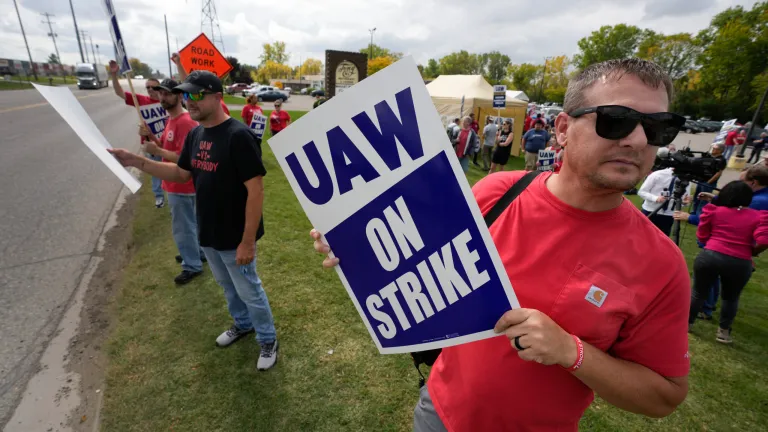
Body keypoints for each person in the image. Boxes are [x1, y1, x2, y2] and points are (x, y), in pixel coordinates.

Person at [311, 58, 691, 430]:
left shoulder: (661, 263)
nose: (638, 140)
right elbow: (418, 252)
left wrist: (570, 352)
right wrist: (356, 244)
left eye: (658, 128)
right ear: (562, 129)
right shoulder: (498, 192)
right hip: (438, 410)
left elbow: (664, 395)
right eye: (617, 120)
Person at [107, 71, 279, 370]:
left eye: (197, 95)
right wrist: (138, 162)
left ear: (217, 96)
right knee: (228, 287)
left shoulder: (238, 137)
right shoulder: (196, 135)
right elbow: (182, 174)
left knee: (249, 289)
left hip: (235, 235)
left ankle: (267, 338)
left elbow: (256, 191)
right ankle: (243, 325)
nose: (190, 101)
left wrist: (247, 241)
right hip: (208, 230)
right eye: (187, 95)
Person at [138, 79, 205, 284]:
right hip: (177, 183)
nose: (162, 97)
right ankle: (196, 253)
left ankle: (192, 264)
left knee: (183, 228)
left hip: (182, 185)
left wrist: (157, 151)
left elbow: (189, 159)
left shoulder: (185, 122)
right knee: (191, 224)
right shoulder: (172, 119)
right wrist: (151, 138)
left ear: (178, 95)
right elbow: (169, 149)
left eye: (167, 93)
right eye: (160, 93)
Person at [688, 181, 768, 343]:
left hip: (710, 255)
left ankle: (687, 324)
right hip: (740, 261)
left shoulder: (715, 211)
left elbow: (702, 235)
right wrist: (753, 251)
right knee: (730, 298)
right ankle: (723, 331)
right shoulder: (758, 216)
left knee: (698, 292)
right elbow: (763, 240)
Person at [109, 60, 167, 208]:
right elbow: (119, 92)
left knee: (171, 168)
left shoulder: (166, 101)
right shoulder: (140, 100)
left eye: (153, 87)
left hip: (167, 142)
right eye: (147, 88)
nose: (150, 90)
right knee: (156, 171)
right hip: (150, 144)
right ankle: (159, 196)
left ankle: (173, 193)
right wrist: (114, 74)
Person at [637, 151, 692, 236]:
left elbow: (683, 199)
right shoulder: (657, 174)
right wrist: (656, 198)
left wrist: (685, 203)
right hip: (651, 210)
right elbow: (641, 192)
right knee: (642, 234)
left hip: (669, 214)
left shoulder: (687, 179)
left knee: (662, 237)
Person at [691, 144, 726, 214]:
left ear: (720, 150)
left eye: (715, 148)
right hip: (701, 181)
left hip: (708, 183)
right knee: (696, 198)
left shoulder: (721, 160)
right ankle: (694, 212)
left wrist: (709, 182)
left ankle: (699, 214)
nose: (713, 149)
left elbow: (718, 173)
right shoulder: (710, 157)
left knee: (703, 200)